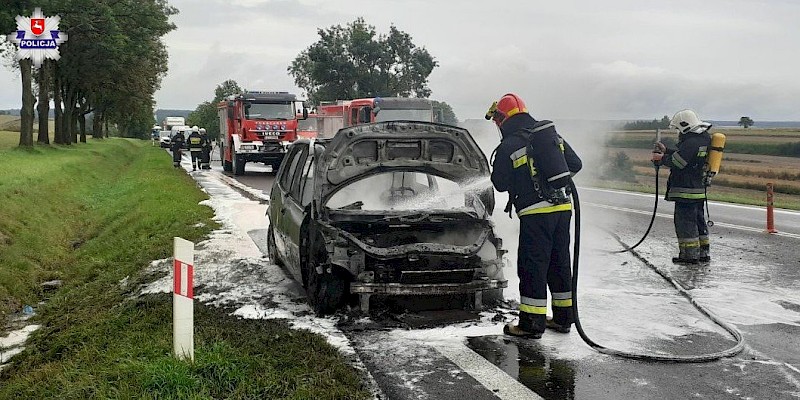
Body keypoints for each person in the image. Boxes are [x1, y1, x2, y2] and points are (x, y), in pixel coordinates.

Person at [487, 93, 582, 339]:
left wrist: (526, 183)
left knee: (533, 267)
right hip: (563, 209)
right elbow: (575, 164)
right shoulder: (550, 137)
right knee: (559, 264)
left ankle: (531, 324)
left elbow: (499, 183)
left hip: (535, 214)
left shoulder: (508, 145)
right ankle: (563, 319)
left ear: (502, 119)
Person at [653, 109, 712, 264]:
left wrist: (661, 158)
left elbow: (679, 162)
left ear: (684, 125)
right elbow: (686, 156)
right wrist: (667, 151)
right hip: (698, 189)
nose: (678, 132)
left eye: (678, 128)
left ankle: (689, 256)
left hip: (686, 190)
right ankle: (703, 253)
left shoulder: (691, 142)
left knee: (685, 223)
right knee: (699, 220)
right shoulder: (703, 138)